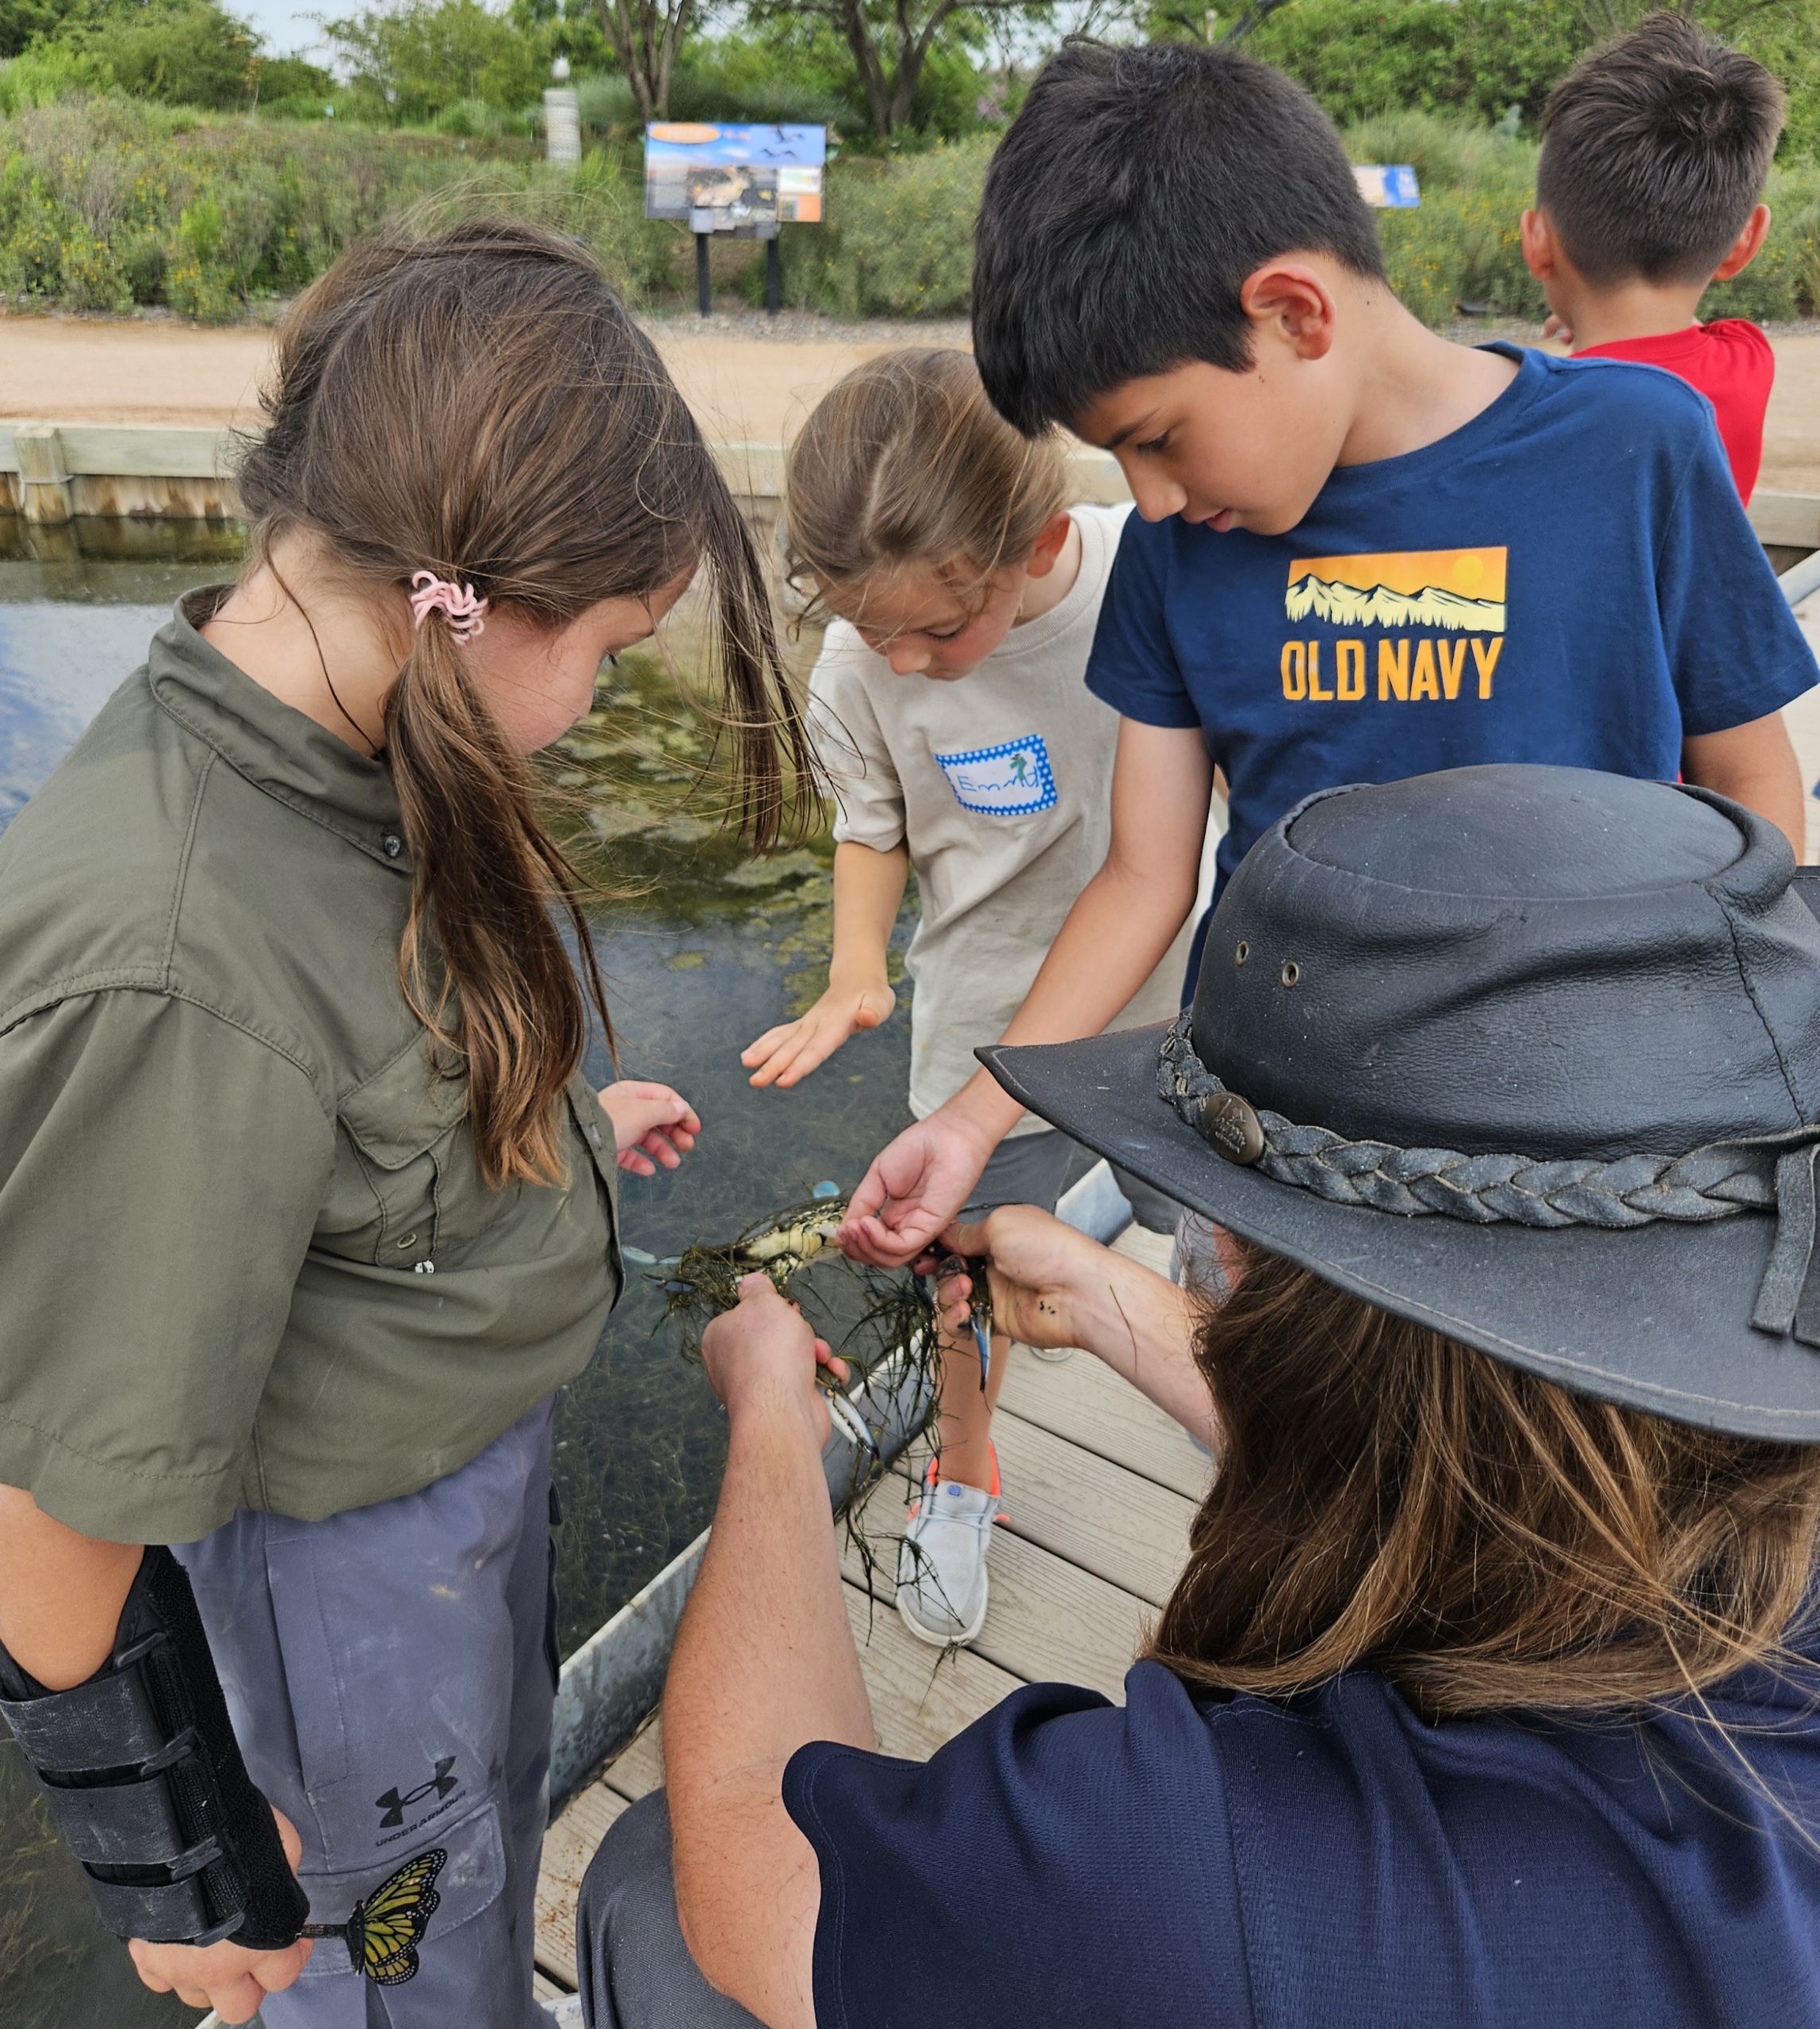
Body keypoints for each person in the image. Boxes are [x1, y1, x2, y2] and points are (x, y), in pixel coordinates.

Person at [576, 762, 1820, 2028]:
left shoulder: (1206, 1884)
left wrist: (778, 1422)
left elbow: (754, 1852)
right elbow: (1492, 1487)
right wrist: (1103, 1298)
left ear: (1237, 1259)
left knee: (645, 1886)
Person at [0, 221, 809, 2028]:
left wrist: (564, 1120)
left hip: (459, 1484)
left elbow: (355, 1064)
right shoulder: (167, 965)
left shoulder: (360, 726)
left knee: (470, 1851)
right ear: (469, 597)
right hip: (334, 1568)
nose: (590, 707)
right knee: (390, 1942)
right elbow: (39, 1504)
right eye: (604, 648)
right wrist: (184, 1861)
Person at [834, 39, 1819, 1274]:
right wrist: (976, 1120)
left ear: (1291, 312)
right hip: (1273, 1147)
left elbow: (1753, 797)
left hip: (1569, 1150)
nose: (1146, 498)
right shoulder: (1175, 556)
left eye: (1157, 437)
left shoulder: (1634, 451)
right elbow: (1145, 879)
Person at [740, 349, 1190, 1648]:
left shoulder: (1139, 577)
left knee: (1225, 1250)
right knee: (958, 1270)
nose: (902, 657)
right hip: (983, 1038)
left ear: (1041, 538)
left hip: (1178, 1021)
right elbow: (868, 823)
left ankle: (1256, 1454)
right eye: (870, 629)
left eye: (937, 630)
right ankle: (964, 1463)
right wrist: (854, 967)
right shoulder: (860, 660)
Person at [1520, 11, 1785, 502]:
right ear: (1743, 245)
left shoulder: (1528, 407)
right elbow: (1673, 345)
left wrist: (1590, 330)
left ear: (1536, 243)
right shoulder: (1749, 361)